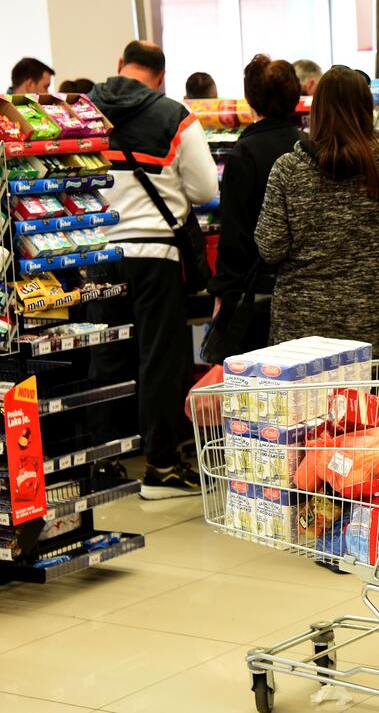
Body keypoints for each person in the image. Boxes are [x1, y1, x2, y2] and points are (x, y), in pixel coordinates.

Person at [88, 41, 218, 499]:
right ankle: (161, 467)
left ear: (118, 66)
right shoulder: (173, 115)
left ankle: (101, 464)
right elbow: (204, 189)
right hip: (156, 255)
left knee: (104, 357)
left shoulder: (83, 110)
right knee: (159, 360)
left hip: (97, 257)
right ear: (161, 76)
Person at [254, 66, 379, 354]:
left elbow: (271, 247)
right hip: (365, 327)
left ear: (317, 110)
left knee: (301, 400)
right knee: (363, 400)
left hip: (299, 328)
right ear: (365, 111)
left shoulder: (288, 168)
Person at [209, 55, 303, 352]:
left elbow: (235, 234)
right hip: (305, 287)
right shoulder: (310, 146)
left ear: (250, 98)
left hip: (256, 292)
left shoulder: (244, 153)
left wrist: (223, 293)